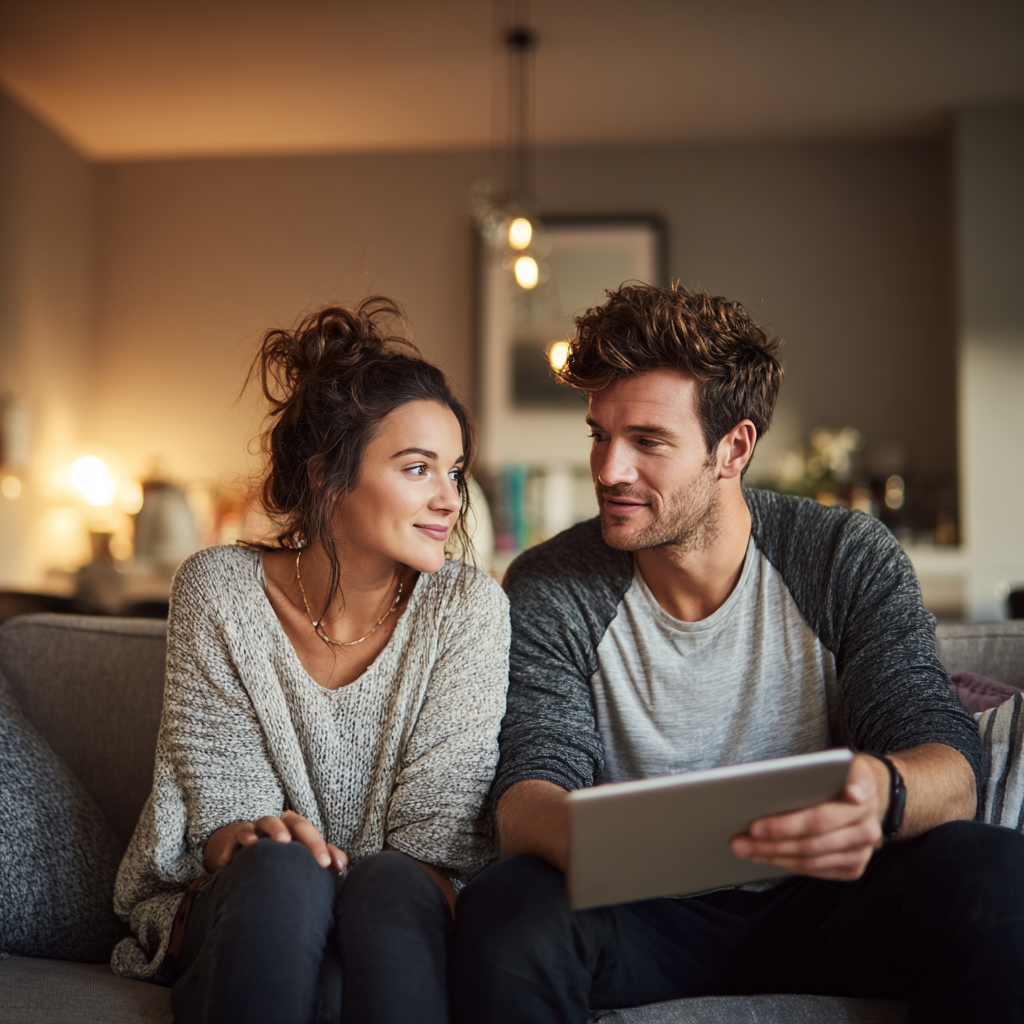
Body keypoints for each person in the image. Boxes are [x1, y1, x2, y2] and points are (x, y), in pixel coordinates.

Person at [449, 283, 1024, 1024]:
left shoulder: (842, 557)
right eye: (599, 434)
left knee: (995, 876)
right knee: (505, 908)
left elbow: (947, 762)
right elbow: (530, 793)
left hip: (828, 902)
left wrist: (879, 793)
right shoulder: (553, 584)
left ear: (735, 447)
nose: (608, 469)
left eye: (647, 442)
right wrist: (623, 843)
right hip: (640, 914)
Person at [111, 298, 510, 1024]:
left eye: (455, 472)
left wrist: (338, 879)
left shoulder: (467, 610)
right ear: (330, 474)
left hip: (396, 907)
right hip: (247, 894)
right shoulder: (219, 590)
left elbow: (438, 839)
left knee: (388, 884)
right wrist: (263, 840)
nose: (449, 499)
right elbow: (224, 816)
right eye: (418, 468)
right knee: (281, 873)